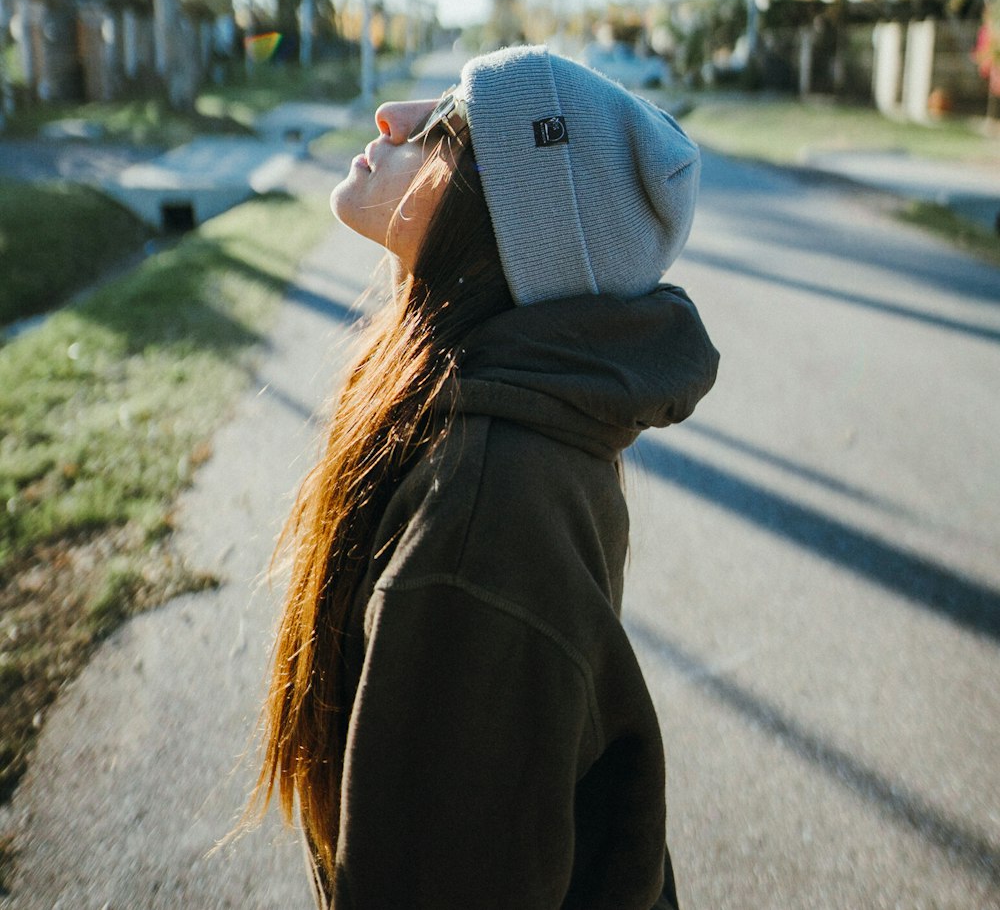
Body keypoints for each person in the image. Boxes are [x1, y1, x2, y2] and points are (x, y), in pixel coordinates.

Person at [249, 44, 720, 910]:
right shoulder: (502, 414)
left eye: (446, 127)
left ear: (504, 221)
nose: (395, 117)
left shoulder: (481, 517)